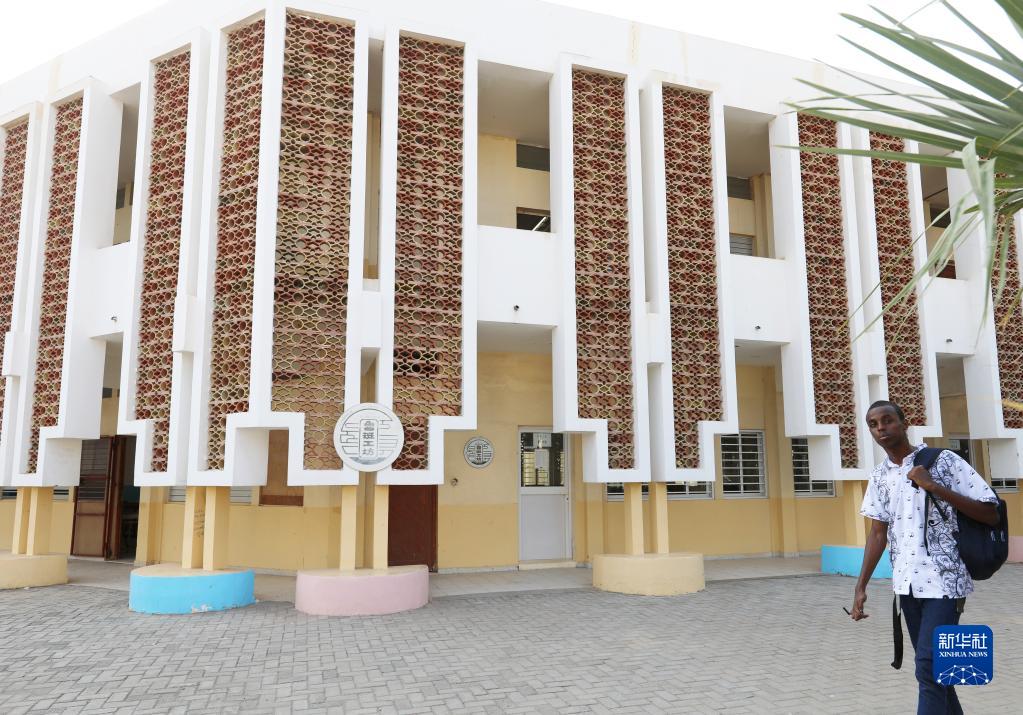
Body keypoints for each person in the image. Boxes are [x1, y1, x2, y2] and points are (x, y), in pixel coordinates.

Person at [850, 400, 999, 714]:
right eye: (873, 424)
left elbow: (990, 512)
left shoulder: (943, 460)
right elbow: (877, 533)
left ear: (904, 424)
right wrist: (860, 587)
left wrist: (933, 486)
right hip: (906, 586)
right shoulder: (879, 477)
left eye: (888, 420)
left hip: (945, 581)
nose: (881, 428)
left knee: (928, 667)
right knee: (939, 670)